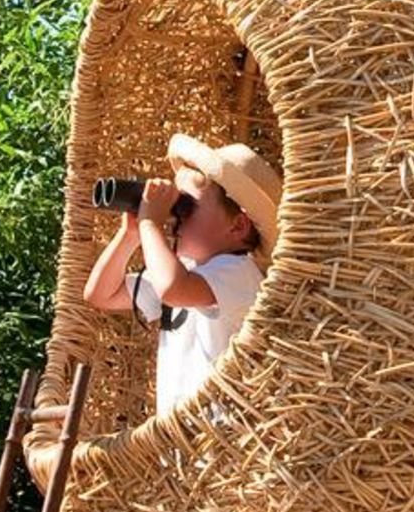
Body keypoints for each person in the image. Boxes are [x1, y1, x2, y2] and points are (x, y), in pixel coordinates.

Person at [82, 133, 280, 416]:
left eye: (187, 207)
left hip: (221, 432)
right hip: (182, 434)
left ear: (238, 226)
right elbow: (101, 294)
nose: (175, 216)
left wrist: (150, 224)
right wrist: (130, 235)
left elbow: (173, 290)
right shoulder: (184, 270)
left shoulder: (240, 272)